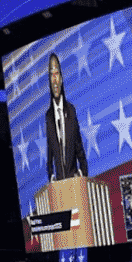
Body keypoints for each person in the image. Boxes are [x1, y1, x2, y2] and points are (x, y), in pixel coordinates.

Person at [44, 53, 87, 182]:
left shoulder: (71, 110)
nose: (55, 79)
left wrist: (82, 174)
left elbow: (79, 149)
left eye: (57, 73)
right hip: (59, 187)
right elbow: (50, 154)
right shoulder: (49, 117)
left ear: (61, 79)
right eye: (51, 75)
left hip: (75, 184)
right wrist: (52, 177)